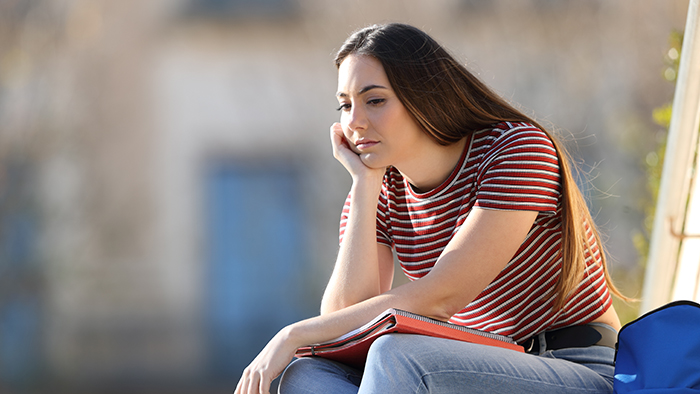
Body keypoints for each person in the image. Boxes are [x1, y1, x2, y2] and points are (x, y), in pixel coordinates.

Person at [234, 23, 630, 394]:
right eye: (345, 106)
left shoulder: (515, 150)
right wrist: (365, 184)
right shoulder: (382, 189)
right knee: (305, 375)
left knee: (396, 356)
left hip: (573, 367)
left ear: (423, 95)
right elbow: (344, 320)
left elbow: (442, 297)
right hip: (469, 363)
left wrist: (295, 333)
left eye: (374, 100)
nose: (355, 122)